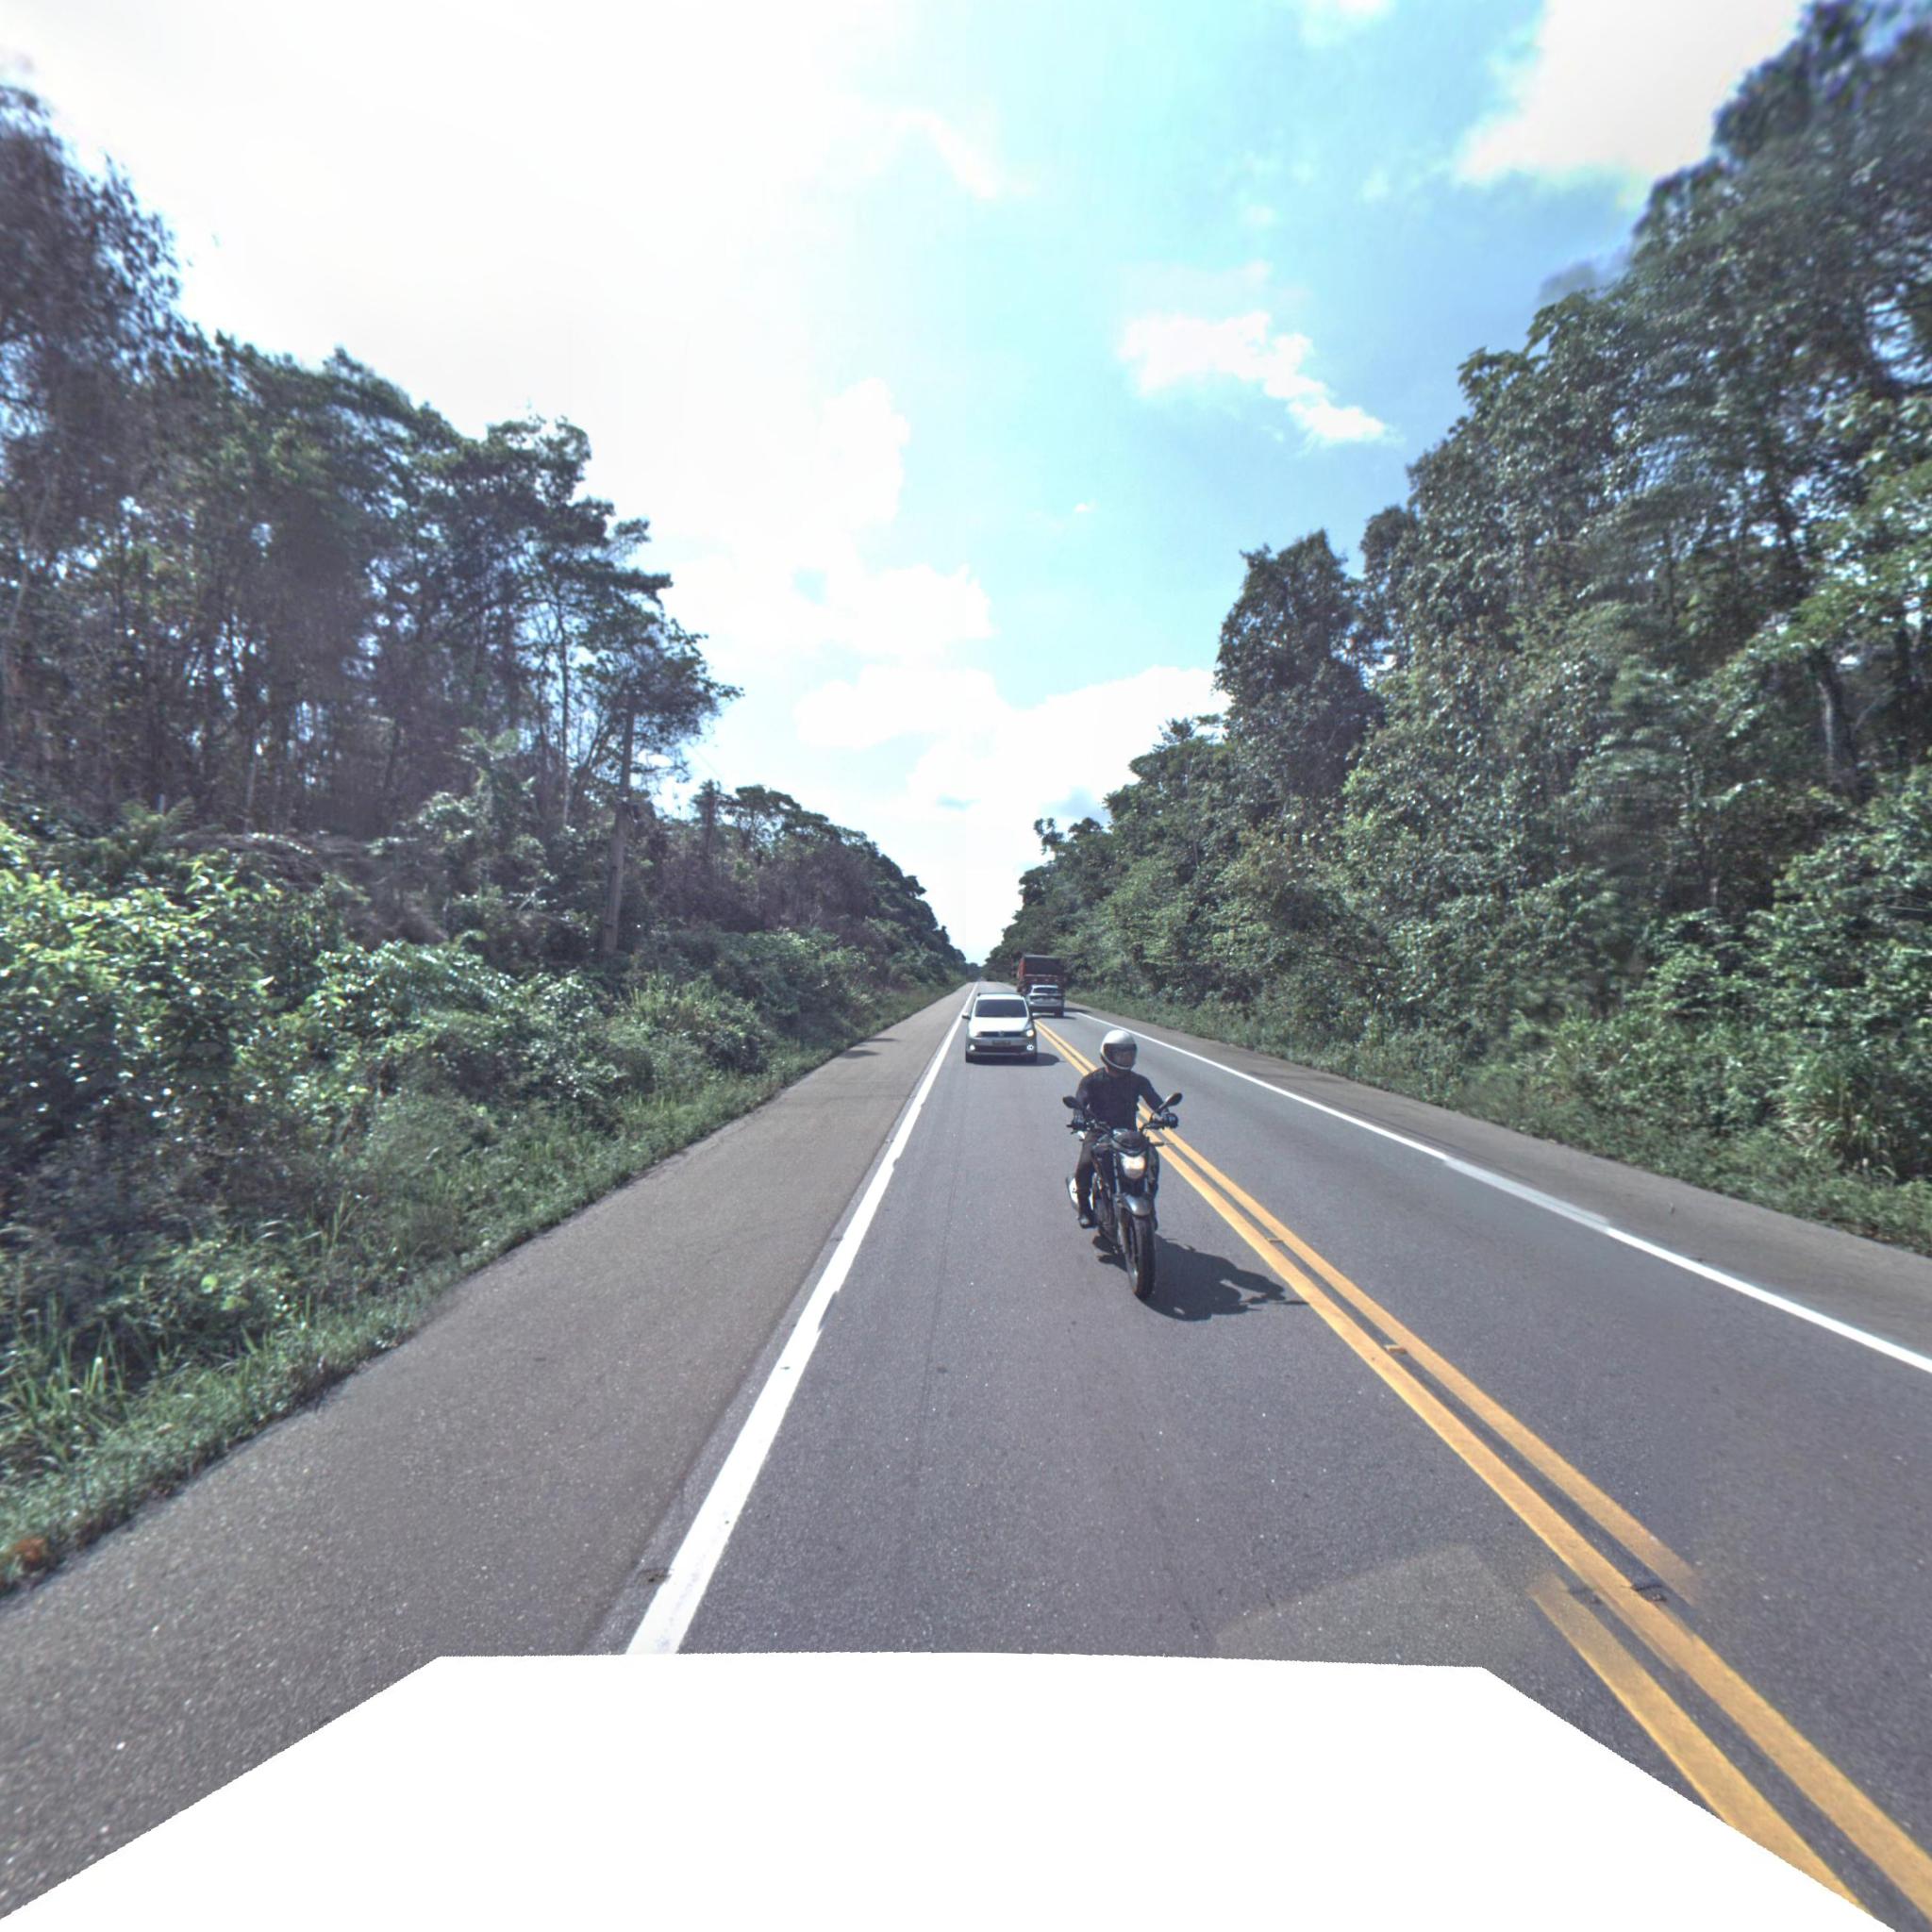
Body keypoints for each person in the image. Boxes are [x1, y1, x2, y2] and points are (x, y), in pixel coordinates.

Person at [1073, 1028, 1166, 1228]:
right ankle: (1084, 1208)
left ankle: (1149, 1204)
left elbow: (1154, 1100)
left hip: (1129, 1133)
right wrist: (1079, 1115)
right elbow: (1080, 1101)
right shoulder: (1092, 1080)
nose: (1125, 1058)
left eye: (1129, 1054)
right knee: (1085, 1165)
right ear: (1107, 1054)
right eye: (1120, 1055)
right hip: (1100, 1131)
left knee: (1151, 1161)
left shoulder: (1138, 1081)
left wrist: (1164, 1113)